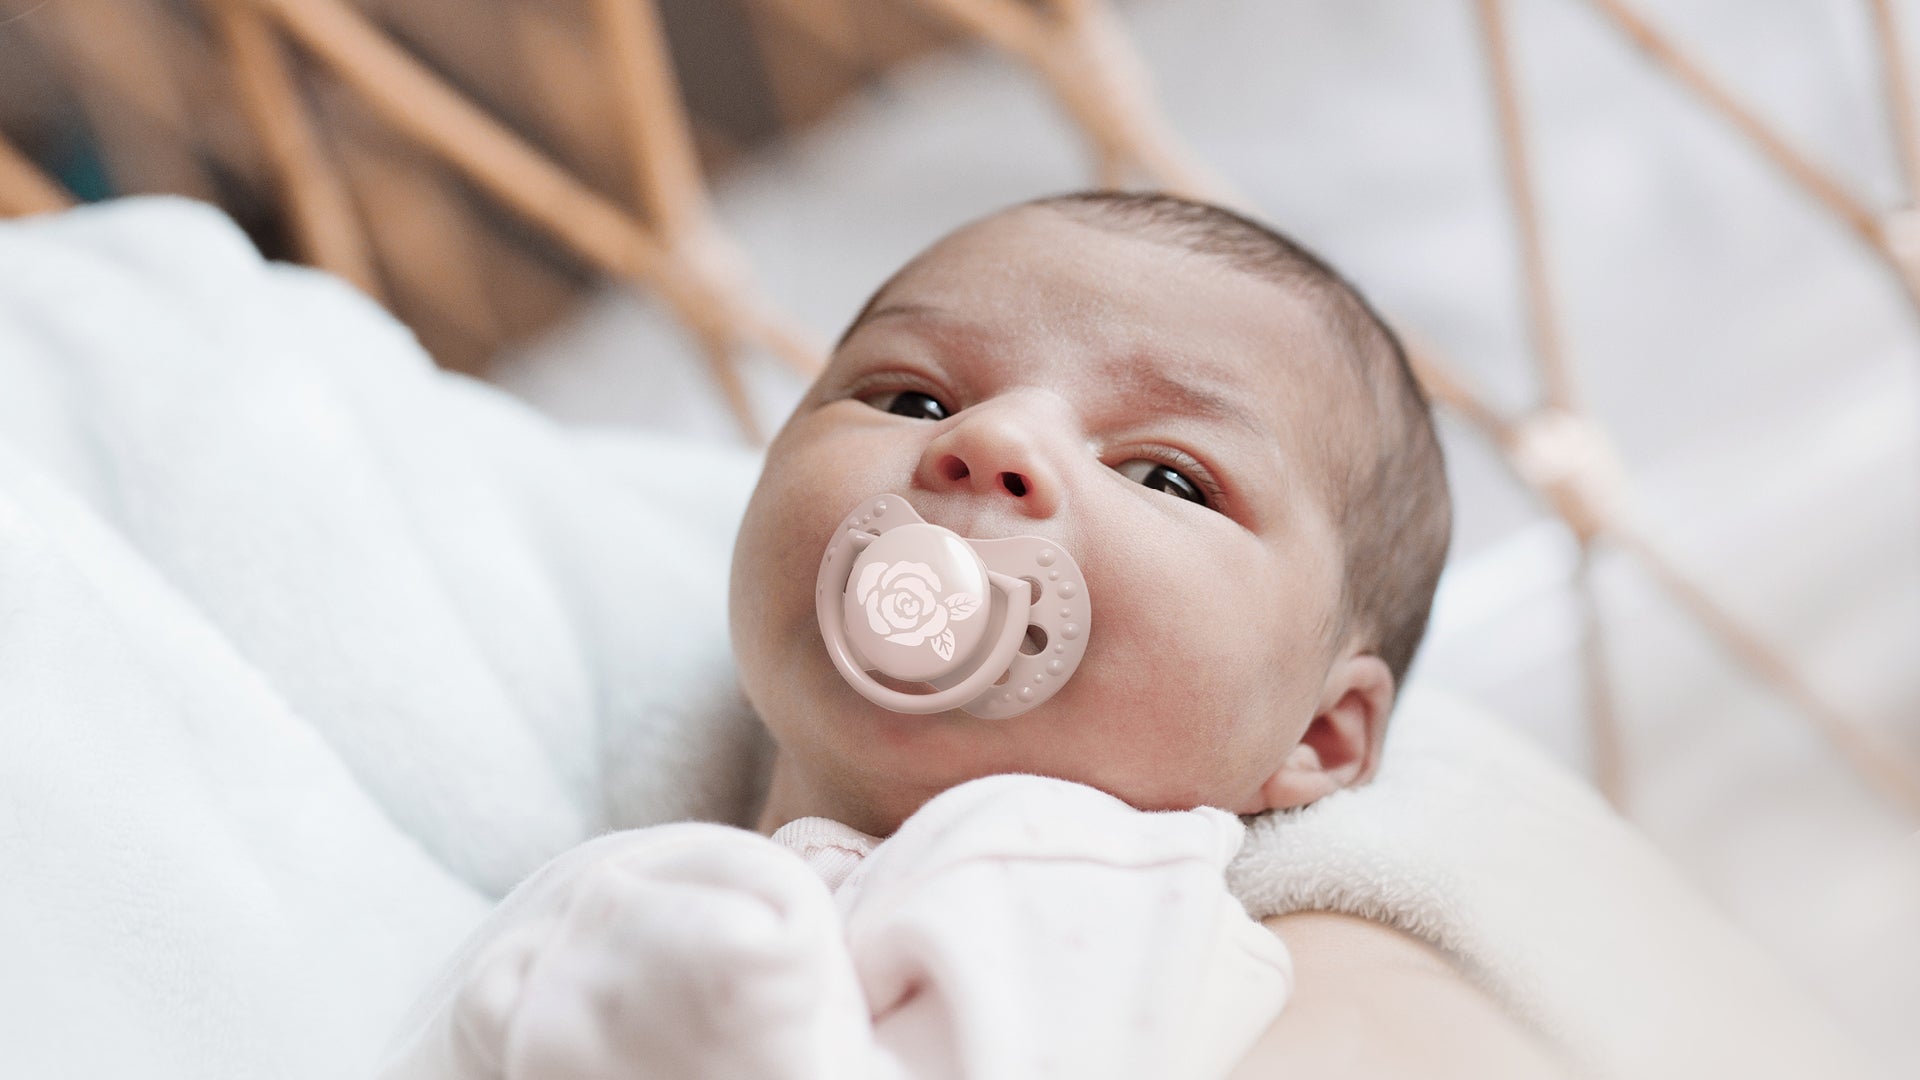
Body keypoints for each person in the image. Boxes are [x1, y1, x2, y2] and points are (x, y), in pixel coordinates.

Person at [378, 192, 1571, 1078]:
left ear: (1315, 731)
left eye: (1165, 474)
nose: (996, 441)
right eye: (914, 399)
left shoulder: (1105, 894)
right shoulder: (603, 889)